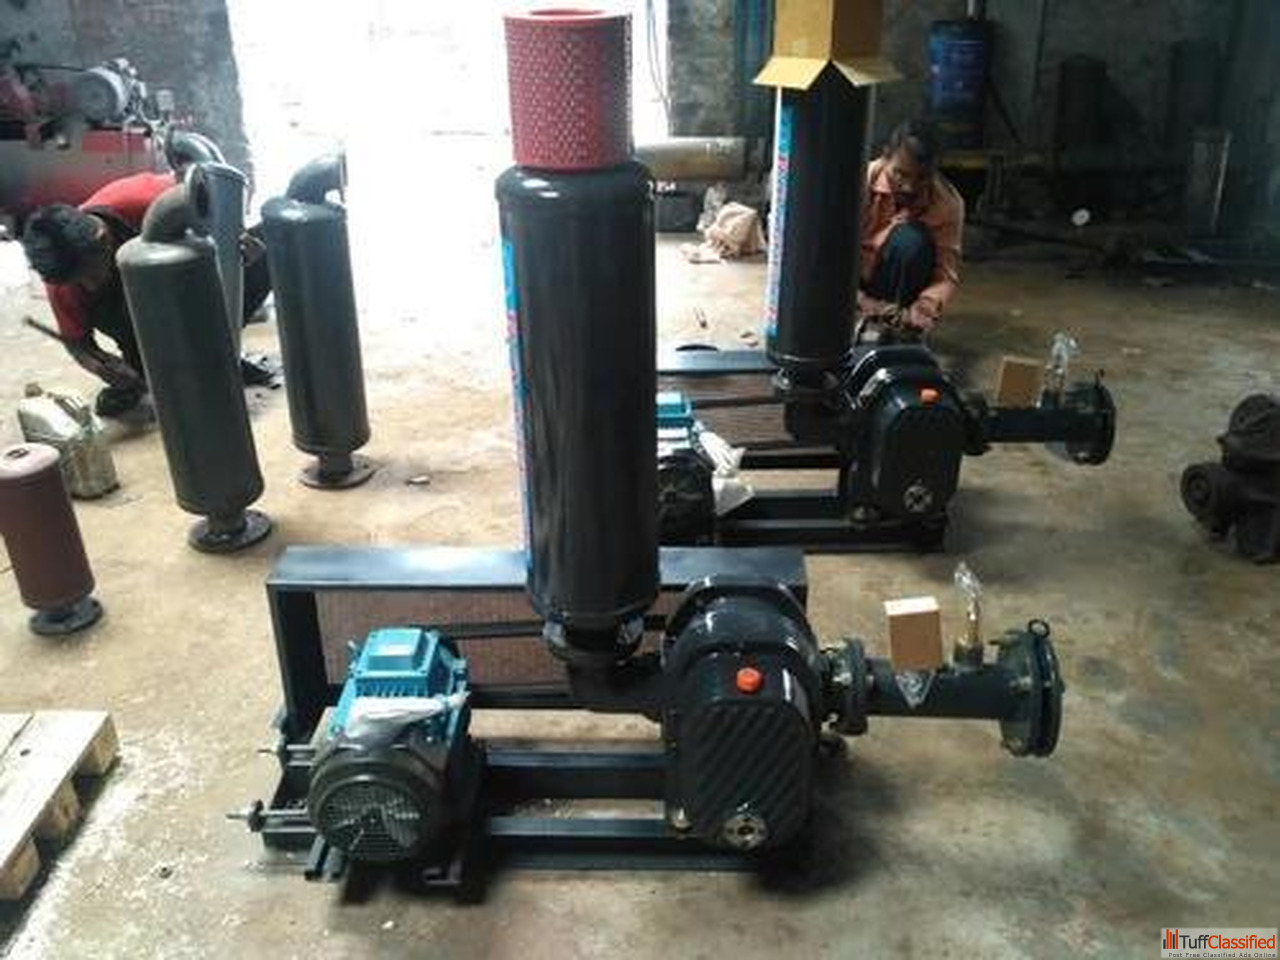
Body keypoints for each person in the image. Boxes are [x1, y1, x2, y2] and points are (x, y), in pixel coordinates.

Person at [20, 171, 272, 418]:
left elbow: (212, 184)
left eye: (90, 273)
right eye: (79, 281)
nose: (88, 285)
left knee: (270, 245)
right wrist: (100, 366)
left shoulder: (146, 199)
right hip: (140, 331)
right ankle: (158, 365)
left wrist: (233, 234)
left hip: (191, 280)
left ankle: (219, 351)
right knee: (156, 378)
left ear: (103, 239)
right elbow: (79, 344)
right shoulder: (63, 278)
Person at [858, 119, 964, 342]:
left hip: (894, 289)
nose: (909, 187)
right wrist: (859, 300)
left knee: (911, 242)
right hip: (850, 284)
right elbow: (827, 257)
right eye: (900, 174)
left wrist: (925, 307)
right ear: (886, 156)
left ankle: (892, 330)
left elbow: (945, 274)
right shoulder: (859, 182)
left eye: (922, 177)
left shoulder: (947, 204)